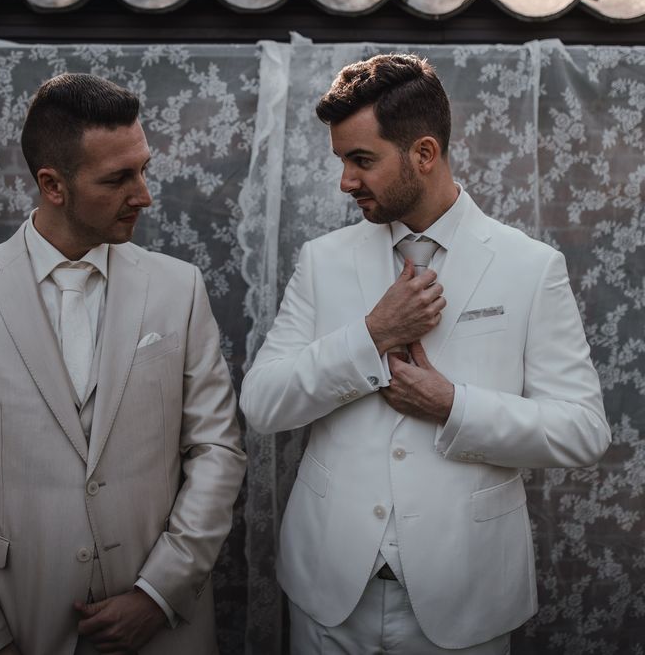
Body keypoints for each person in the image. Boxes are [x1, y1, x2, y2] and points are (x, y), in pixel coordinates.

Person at [240, 54, 610, 654]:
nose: (345, 181)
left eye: (362, 160)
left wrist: (454, 406)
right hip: (329, 595)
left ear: (425, 153)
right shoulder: (321, 260)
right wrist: (371, 335)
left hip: (465, 596)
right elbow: (261, 404)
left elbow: (584, 431)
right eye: (341, 160)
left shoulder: (529, 268)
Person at [0, 73, 246, 655]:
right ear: (52, 185)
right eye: (118, 178)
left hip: (165, 628)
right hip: (19, 620)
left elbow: (217, 449)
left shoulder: (178, 288)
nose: (144, 195)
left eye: (143, 169)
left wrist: (158, 593)